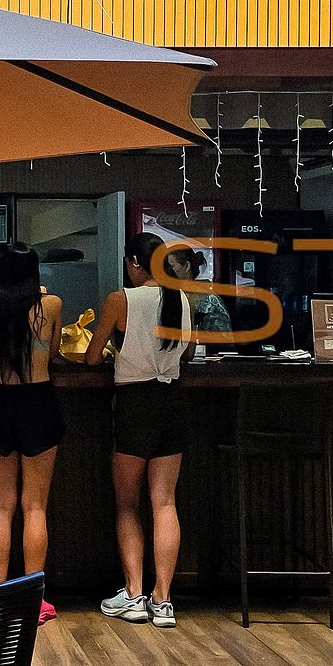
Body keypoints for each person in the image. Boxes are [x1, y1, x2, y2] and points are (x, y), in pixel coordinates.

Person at [83, 232, 197, 629]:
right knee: (164, 502)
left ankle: (133, 595)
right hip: (173, 401)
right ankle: (163, 601)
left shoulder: (121, 300)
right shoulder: (182, 299)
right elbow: (189, 352)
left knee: (128, 503)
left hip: (134, 403)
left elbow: (92, 357)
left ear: (134, 262)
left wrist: (119, 350)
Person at [0, 245, 63, 624]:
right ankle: (32, 601)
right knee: (34, 506)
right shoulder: (51, 305)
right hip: (37, 402)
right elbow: (54, 350)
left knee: (0, 506)